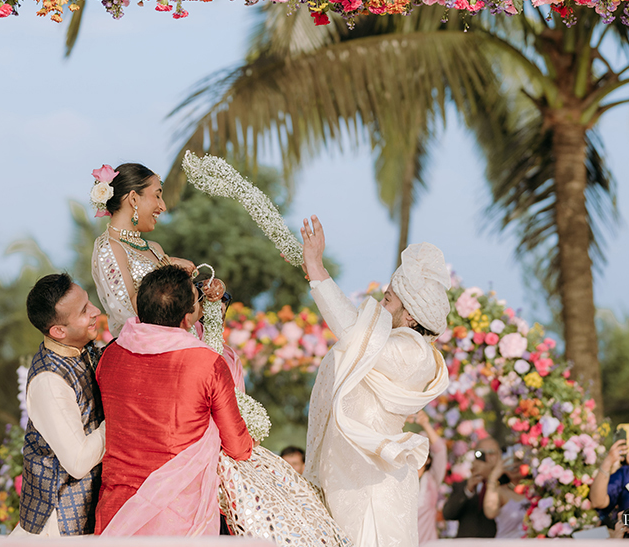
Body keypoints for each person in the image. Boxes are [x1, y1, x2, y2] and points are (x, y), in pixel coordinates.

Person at [301, 217, 451, 547]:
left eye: (388, 300)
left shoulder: (415, 353)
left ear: (410, 316)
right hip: (348, 477)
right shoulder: (392, 343)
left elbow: (353, 332)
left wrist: (316, 267)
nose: (380, 305)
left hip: (373, 484)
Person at [193, 274, 351, 546]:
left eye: (223, 302)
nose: (219, 307)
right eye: (211, 300)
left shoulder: (230, 356)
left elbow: (239, 401)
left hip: (232, 446)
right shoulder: (189, 345)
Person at [94, 265, 253, 535]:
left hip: (117, 510)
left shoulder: (110, 356)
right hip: (178, 517)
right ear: (188, 318)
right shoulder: (207, 363)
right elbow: (238, 447)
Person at [14, 273, 106, 537]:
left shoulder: (81, 350)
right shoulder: (49, 381)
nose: (95, 312)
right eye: (84, 311)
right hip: (59, 525)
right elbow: (77, 461)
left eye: (89, 303)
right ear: (58, 331)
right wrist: (123, 417)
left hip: (87, 516)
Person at [89, 163, 193, 337]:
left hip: (177, 342)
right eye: (157, 196)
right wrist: (168, 268)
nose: (163, 207)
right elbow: (126, 312)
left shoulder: (154, 248)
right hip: (144, 351)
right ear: (134, 199)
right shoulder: (108, 248)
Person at [443, 437, 502, 539]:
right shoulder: (464, 485)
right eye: (481, 454)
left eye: (491, 453)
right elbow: (448, 514)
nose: (487, 458)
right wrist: (468, 490)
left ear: (500, 456)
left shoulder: (505, 484)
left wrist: (491, 478)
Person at [414, 412, 447, 544]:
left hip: (428, 542)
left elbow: (440, 450)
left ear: (428, 460)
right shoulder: (398, 479)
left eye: (421, 453)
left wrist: (425, 424)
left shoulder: (432, 479)